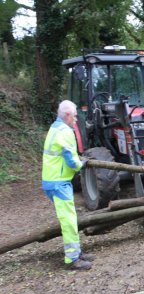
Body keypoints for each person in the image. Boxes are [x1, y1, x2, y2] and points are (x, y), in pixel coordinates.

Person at [42, 100, 94, 270]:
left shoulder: (55, 127)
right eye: (75, 115)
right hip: (58, 182)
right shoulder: (65, 131)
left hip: (54, 180)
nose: (76, 119)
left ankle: (76, 252)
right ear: (66, 115)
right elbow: (72, 162)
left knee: (70, 218)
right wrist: (83, 164)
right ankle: (72, 259)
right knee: (69, 221)